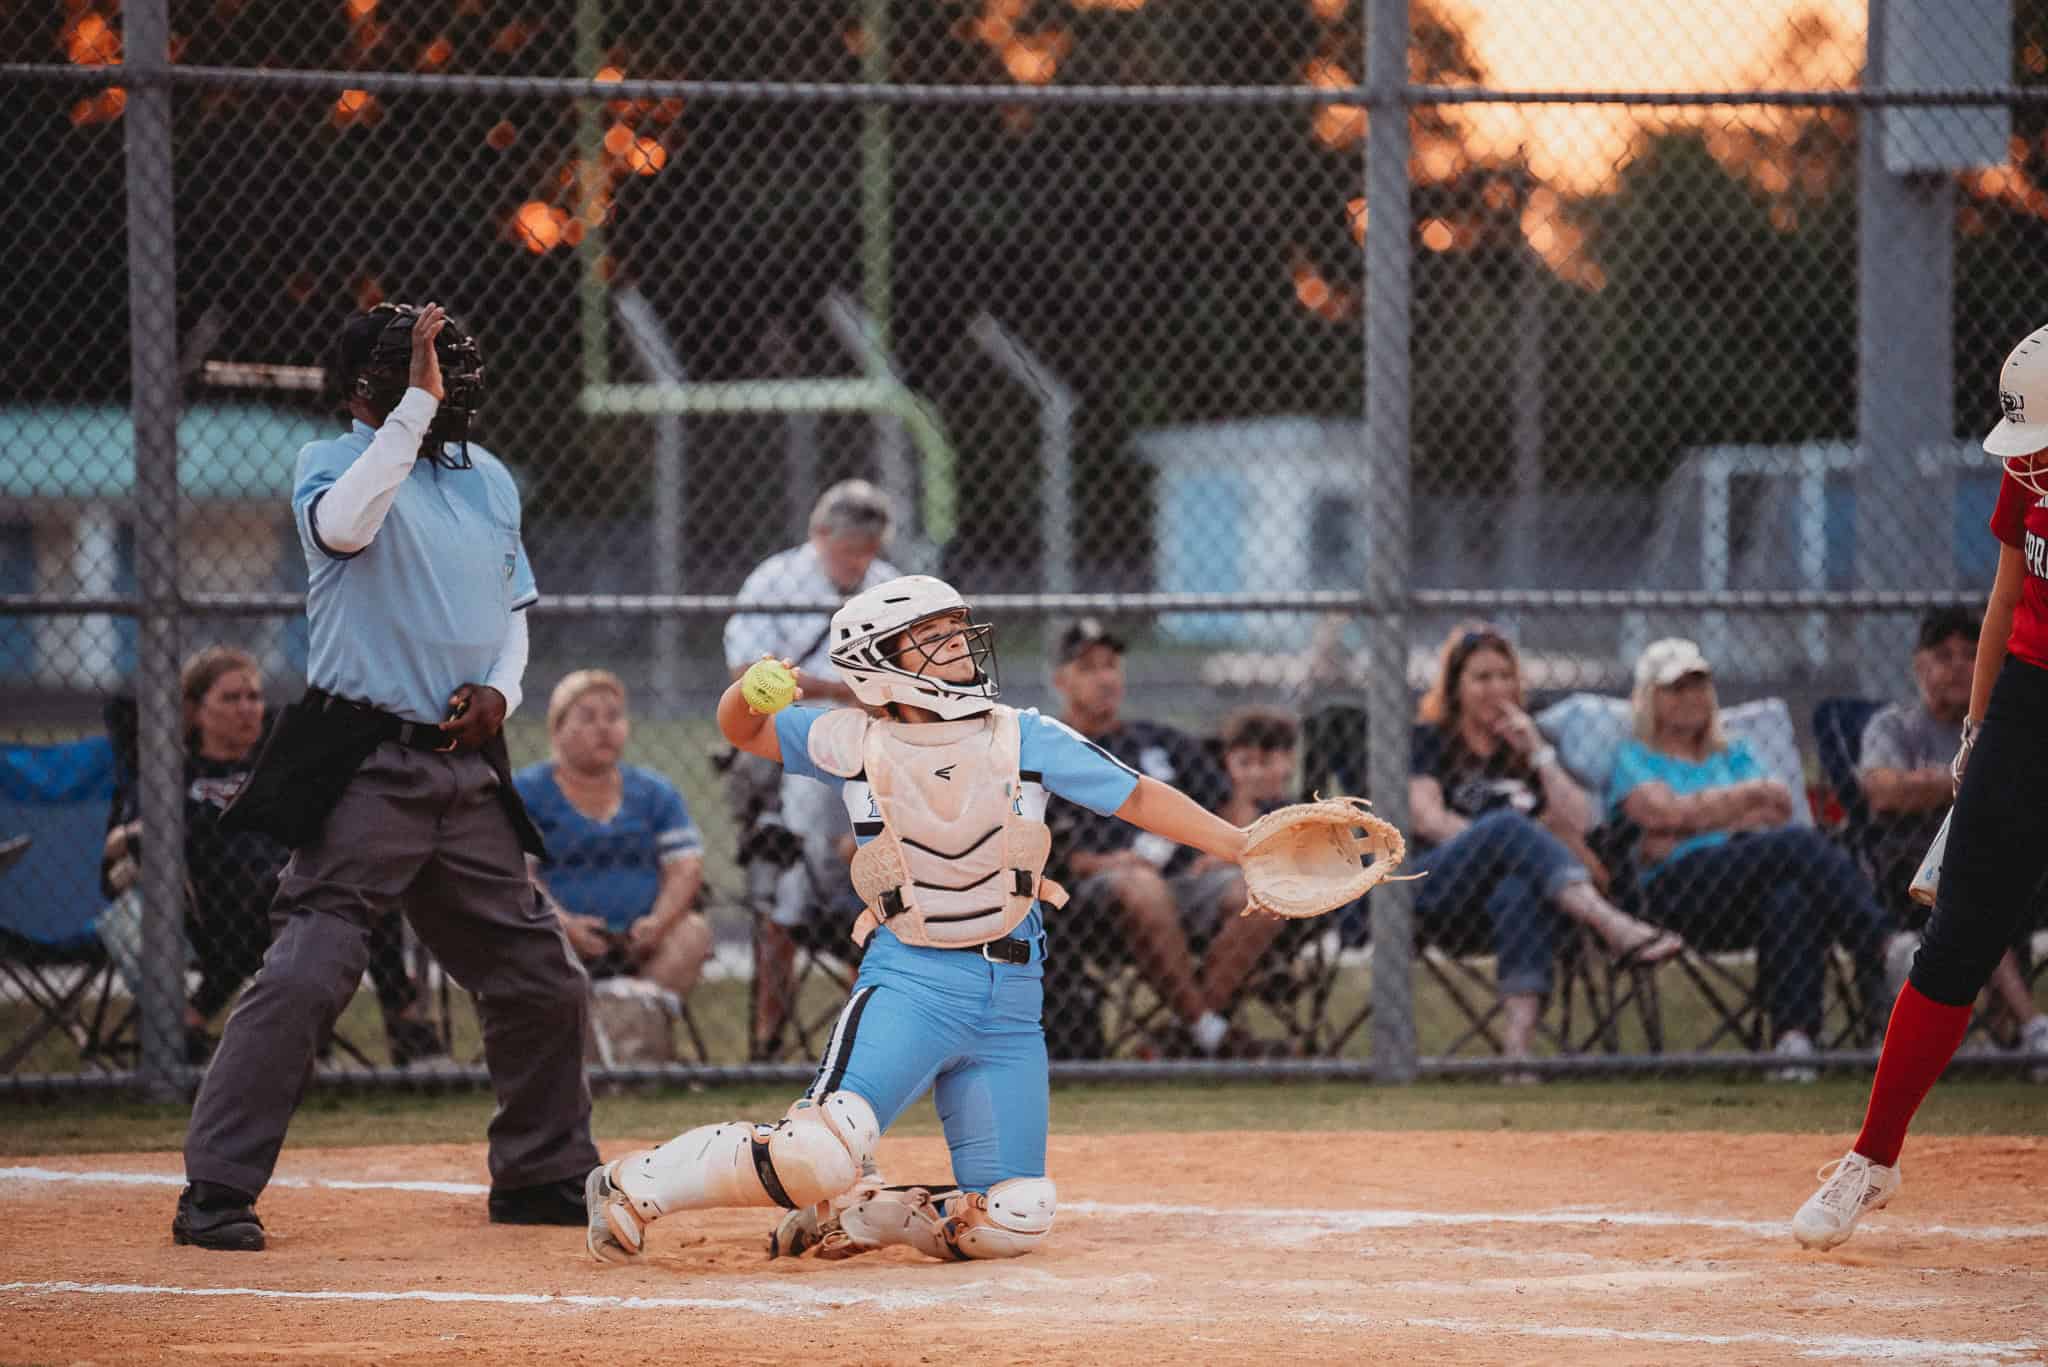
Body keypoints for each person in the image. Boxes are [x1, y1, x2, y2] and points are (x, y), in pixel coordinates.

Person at [582, 574, 1252, 1266]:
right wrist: (748, 691)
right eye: (931, 637)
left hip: (1011, 1002)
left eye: (956, 629)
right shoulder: (850, 738)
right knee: (815, 1151)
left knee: (1016, 1214)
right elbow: (741, 730)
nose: (957, 644)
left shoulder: (1023, 734)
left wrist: (1241, 844)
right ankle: (633, 1182)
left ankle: (865, 1215)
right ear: (879, 662)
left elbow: (1138, 797)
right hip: (913, 979)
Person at [173, 302, 598, 1252]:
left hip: (464, 765)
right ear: (376, 384)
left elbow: (512, 608)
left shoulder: (487, 479)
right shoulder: (331, 464)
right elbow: (347, 528)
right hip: (367, 762)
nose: (452, 380)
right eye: (429, 363)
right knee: (313, 969)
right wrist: (408, 411)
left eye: (449, 363)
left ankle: (540, 1171)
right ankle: (215, 1189)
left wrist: (502, 691)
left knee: (540, 978)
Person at [1794, 325, 2048, 1248]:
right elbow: (2008, 597)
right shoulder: (2030, 469)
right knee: (1959, 935)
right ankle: (1873, 1155)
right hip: (2029, 698)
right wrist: (1979, 728)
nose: (2036, 463)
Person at [99, 647, 443, 1067]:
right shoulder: (171, 772)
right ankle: (236, 1024)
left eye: (254, 697)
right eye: (230, 698)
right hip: (213, 914)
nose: (247, 709)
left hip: (301, 889)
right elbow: (118, 844)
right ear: (194, 709)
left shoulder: (278, 766)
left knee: (357, 887)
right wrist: (152, 830)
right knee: (309, 890)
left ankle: (401, 1022)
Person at [1608, 637, 1890, 1082]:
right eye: (1676, 688)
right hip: (1677, 890)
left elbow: (1776, 805)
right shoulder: (1633, 756)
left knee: (1791, 894)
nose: (1691, 697)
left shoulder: (1735, 750)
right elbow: (1658, 812)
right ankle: (1879, 947)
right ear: (1649, 700)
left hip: (1749, 884)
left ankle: (1793, 1043)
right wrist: (1739, 804)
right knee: (1796, 844)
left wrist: (1689, 816)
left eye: (1698, 685)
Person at [1407, 623, 1683, 1073]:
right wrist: (1498, 840)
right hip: (1438, 886)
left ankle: (1516, 1057)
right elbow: (1427, 818)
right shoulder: (1429, 739)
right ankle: (1612, 925)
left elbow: (1584, 823)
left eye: (1505, 676)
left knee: (1518, 890)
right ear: (1456, 687)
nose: (1497, 688)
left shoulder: (1529, 742)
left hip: (1515, 896)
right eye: (1482, 678)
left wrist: (1537, 752)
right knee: (1507, 828)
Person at [721, 479, 899, 1059]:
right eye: (849, 547)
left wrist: (825, 687)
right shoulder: (776, 580)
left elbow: (904, 690)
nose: (859, 561)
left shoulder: (890, 588)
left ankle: (868, 1035)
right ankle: (771, 1033)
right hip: (793, 753)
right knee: (788, 885)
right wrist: (839, 691)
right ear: (818, 535)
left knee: (879, 872)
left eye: (868, 549)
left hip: (875, 751)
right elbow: (751, 675)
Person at [1043, 618, 1265, 1058]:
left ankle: (1196, 1031)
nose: (1106, 678)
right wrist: (1109, 864)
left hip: (1185, 882)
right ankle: (1208, 1032)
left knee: (1264, 892)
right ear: (1061, 681)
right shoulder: (1047, 749)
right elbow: (1047, 852)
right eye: (1089, 668)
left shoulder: (1158, 740)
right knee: (1140, 885)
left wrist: (1225, 849)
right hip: (1098, 895)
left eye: (1112, 666)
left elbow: (1231, 801)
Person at [1859, 608, 2045, 1055]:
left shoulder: (2001, 729)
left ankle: (2011, 1033)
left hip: (2005, 860)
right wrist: (1973, 780)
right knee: (1978, 881)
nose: (1960, 665)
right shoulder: (1894, 726)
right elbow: (1883, 791)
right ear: (1919, 666)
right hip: (1913, 867)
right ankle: (2032, 1026)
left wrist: (1934, 784)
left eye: (1971, 655)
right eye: (1944, 655)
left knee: (1994, 873)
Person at [516, 669, 712, 1008]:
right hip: (555, 939)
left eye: (614, 716)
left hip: (643, 945)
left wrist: (658, 923)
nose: (604, 727)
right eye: (588, 717)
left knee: (693, 933)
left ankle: (627, 1022)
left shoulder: (654, 792)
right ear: (557, 728)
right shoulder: (528, 792)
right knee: (527, 941)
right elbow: (517, 873)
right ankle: (601, 1036)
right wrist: (564, 926)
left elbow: (686, 867)